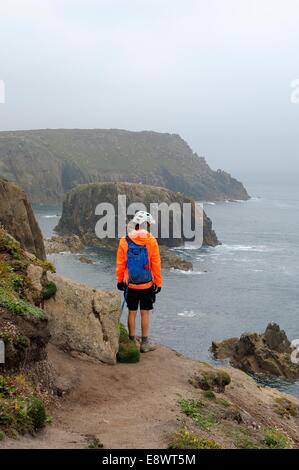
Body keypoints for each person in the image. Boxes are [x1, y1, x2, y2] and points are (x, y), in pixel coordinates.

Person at [116, 210, 162, 353]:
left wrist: (120, 281)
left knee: (132, 311)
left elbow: (120, 263)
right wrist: (158, 283)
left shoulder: (125, 240)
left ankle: (131, 342)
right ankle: (144, 344)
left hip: (131, 284)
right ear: (147, 224)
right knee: (145, 313)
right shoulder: (151, 240)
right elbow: (156, 264)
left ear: (135, 224)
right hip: (147, 284)